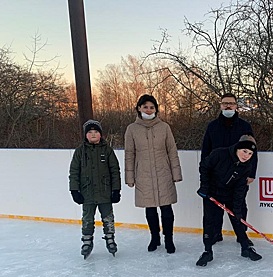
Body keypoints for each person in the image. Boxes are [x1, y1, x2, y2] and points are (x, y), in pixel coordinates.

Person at [124, 94, 183, 254]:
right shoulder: (132, 129)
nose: (148, 110)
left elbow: (172, 150)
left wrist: (176, 173)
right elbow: (129, 153)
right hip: (143, 175)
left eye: (152, 107)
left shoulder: (164, 127)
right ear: (139, 108)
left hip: (163, 173)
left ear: (156, 109)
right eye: (145, 107)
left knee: (166, 209)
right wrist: (130, 177)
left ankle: (169, 239)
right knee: (150, 209)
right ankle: (155, 237)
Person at [196, 135, 262, 267]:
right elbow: (204, 167)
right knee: (209, 220)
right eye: (244, 151)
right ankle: (207, 251)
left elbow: (240, 189)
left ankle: (245, 248)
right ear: (238, 147)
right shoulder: (219, 154)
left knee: (237, 218)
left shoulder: (246, 166)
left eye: (250, 153)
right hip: (212, 193)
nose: (246, 156)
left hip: (230, 194)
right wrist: (204, 187)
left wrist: (237, 209)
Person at [201, 93, 257, 246]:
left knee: (239, 206)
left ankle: (242, 236)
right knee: (215, 210)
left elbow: (253, 151)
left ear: (236, 106)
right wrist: (205, 175)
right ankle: (215, 234)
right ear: (220, 105)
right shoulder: (212, 126)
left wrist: (251, 173)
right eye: (225, 103)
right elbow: (206, 151)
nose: (228, 106)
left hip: (238, 176)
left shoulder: (244, 126)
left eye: (231, 103)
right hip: (216, 177)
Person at [69, 120, 121, 259]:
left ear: (101, 134)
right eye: (90, 132)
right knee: (87, 219)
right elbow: (74, 172)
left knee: (108, 217)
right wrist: (74, 190)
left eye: (96, 132)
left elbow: (115, 171)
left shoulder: (107, 150)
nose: (93, 134)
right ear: (86, 135)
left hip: (105, 192)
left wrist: (116, 190)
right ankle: (87, 240)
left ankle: (110, 238)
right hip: (87, 193)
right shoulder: (80, 152)